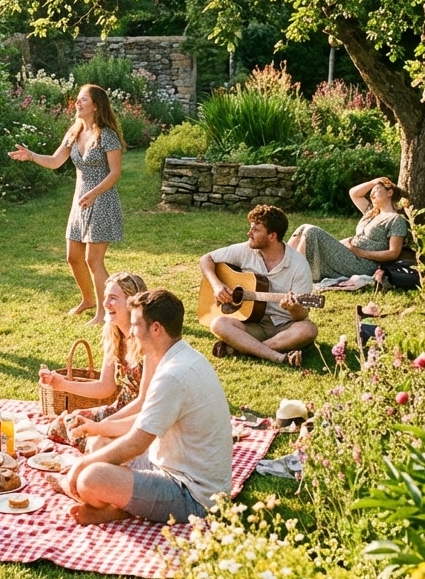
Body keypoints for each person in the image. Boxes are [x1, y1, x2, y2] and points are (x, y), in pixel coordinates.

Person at [48, 288, 232, 526]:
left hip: (194, 496)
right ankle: (117, 508)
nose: (131, 333)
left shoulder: (173, 375)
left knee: (90, 478)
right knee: (98, 442)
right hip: (170, 463)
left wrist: (82, 464)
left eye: (135, 325)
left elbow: (136, 443)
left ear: (156, 329)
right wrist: (99, 428)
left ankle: (111, 503)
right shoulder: (181, 357)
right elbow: (143, 421)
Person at [9, 83, 124, 326]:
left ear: (95, 105)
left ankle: (104, 314)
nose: (77, 103)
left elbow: (115, 173)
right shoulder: (74, 132)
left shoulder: (107, 135)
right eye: (77, 99)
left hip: (101, 200)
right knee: (73, 257)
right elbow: (54, 161)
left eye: (83, 100)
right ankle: (88, 299)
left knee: (94, 260)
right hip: (80, 202)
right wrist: (31, 155)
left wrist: (94, 193)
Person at [199, 204, 317, 368]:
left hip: (283, 327)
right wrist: (217, 285)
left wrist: (293, 308)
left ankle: (244, 348)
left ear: (272, 236)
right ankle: (276, 356)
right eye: (251, 228)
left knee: (308, 330)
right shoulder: (246, 249)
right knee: (218, 324)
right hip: (251, 322)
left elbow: (301, 316)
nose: (249, 233)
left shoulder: (298, 266)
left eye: (256, 230)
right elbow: (206, 259)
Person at [43, 271, 148, 448]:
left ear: (132, 303)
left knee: (94, 441)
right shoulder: (115, 335)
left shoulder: (147, 342)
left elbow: (146, 403)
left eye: (113, 298)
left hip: (137, 419)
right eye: (105, 297)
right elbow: (105, 387)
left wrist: (101, 427)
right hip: (117, 411)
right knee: (60, 425)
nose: (106, 304)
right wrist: (61, 384)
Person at [289, 176, 410, 282]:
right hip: (349, 255)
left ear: (390, 193)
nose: (372, 194)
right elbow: (354, 193)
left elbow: (393, 253)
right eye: (371, 192)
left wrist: (360, 252)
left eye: (376, 190)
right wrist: (374, 182)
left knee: (311, 231)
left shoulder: (395, 219)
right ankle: (283, 266)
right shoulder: (370, 213)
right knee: (303, 228)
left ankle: (296, 277)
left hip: (363, 264)